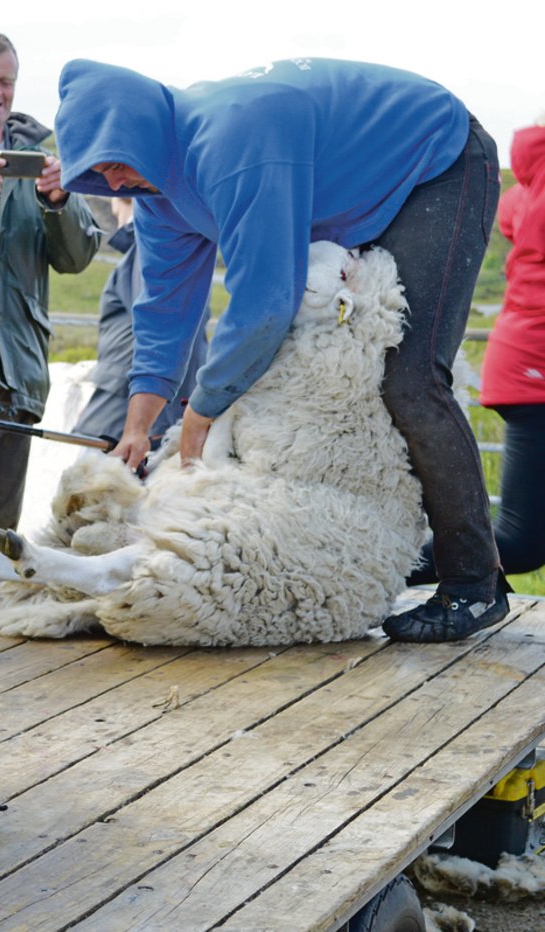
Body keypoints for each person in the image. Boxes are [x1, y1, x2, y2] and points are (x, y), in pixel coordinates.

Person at [52, 57, 508, 642]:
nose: (112, 183)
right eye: (96, 173)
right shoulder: (157, 192)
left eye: (115, 162)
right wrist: (138, 425)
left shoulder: (229, 142)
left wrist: (203, 409)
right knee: (344, 380)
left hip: (434, 163)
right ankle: (412, 546)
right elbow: (165, 311)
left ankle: (474, 583)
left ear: (138, 129)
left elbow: (266, 297)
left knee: (410, 377)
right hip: (357, 194)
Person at [0, 30, 102, 538]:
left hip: (13, 380)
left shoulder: (43, 161)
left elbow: (78, 256)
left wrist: (59, 203)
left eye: (6, 81)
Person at [410, 117, 545, 584]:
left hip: (523, 359)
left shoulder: (527, 186)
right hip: (536, 372)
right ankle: (373, 572)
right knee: (522, 542)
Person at [73, 196, 208, 443]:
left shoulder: (151, 251)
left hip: (121, 431)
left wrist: (147, 431)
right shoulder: (177, 254)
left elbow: (162, 336)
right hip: (138, 425)